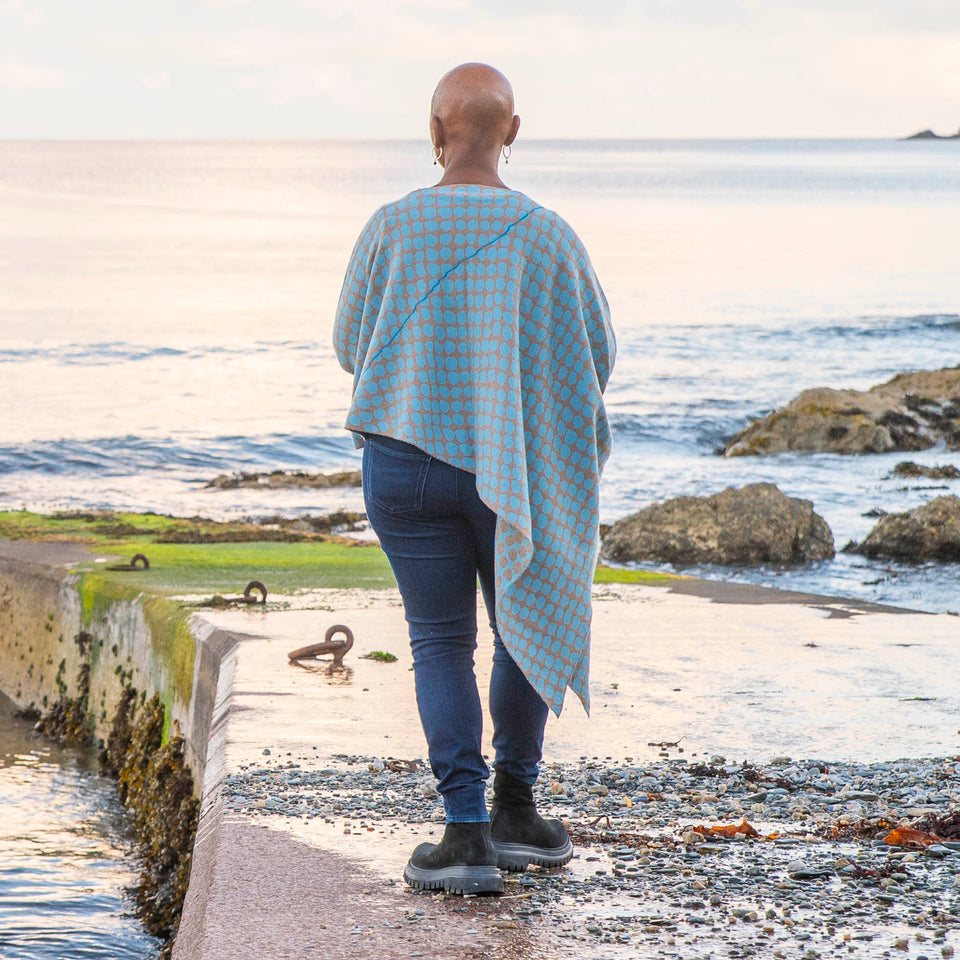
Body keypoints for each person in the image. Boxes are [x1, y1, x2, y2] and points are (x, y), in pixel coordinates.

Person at [334, 63, 615, 895]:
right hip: (513, 468)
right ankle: (517, 813)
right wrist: (509, 395)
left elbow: (352, 343)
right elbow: (595, 352)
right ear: (513, 132)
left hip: (405, 462)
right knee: (522, 619)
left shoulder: (391, 226)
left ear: (433, 132)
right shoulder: (548, 233)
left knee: (438, 643)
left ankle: (463, 836)